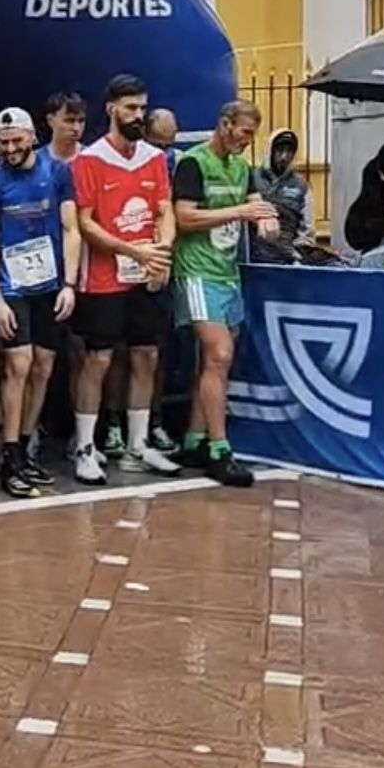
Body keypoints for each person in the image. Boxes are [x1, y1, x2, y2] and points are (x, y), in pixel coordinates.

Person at [71, 74, 180, 485]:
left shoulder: (154, 158)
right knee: (98, 359)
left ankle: (138, 443)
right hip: (104, 276)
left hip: (145, 275)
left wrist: (162, 250)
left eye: (142, 108)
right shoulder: (90, 160)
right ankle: (85, 446)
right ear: (112, 109)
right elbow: (85, 222)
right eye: (131, 108)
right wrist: (134, 251)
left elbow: (164, 208)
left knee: (146, 355)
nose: (138, 115)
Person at [170, 100, 275, 488]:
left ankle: (195, 437)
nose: (247, 141)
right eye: (244, 132)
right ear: (225, 124)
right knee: (219, 353)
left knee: (215, 362)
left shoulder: (242, 168)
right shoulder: (193, 163)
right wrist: (239, 214)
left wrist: (264, 217)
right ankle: (219, 447)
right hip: (197, 272)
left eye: (251, 135)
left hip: (227, 272)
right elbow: (185, 217)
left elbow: (252, 203)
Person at [0, 107, 79, 498]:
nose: (10, 149)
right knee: (18, 363)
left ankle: (26, 441)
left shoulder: (57, 173)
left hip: (50, 283)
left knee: (44, 364)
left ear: (31, 137)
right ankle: (10, 453)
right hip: (12, 284)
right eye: (3, 144)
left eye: (16, 141)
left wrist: (69, 283)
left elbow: (71, 228)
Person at [252, 128, 314, 265]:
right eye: (279, 150)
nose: (284, 157)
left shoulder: (302, 186)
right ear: (270, 151)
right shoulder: (251, 178)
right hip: (253, 255)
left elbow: (306, 229)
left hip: (286, 257)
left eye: (289, 152)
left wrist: (300, 255)